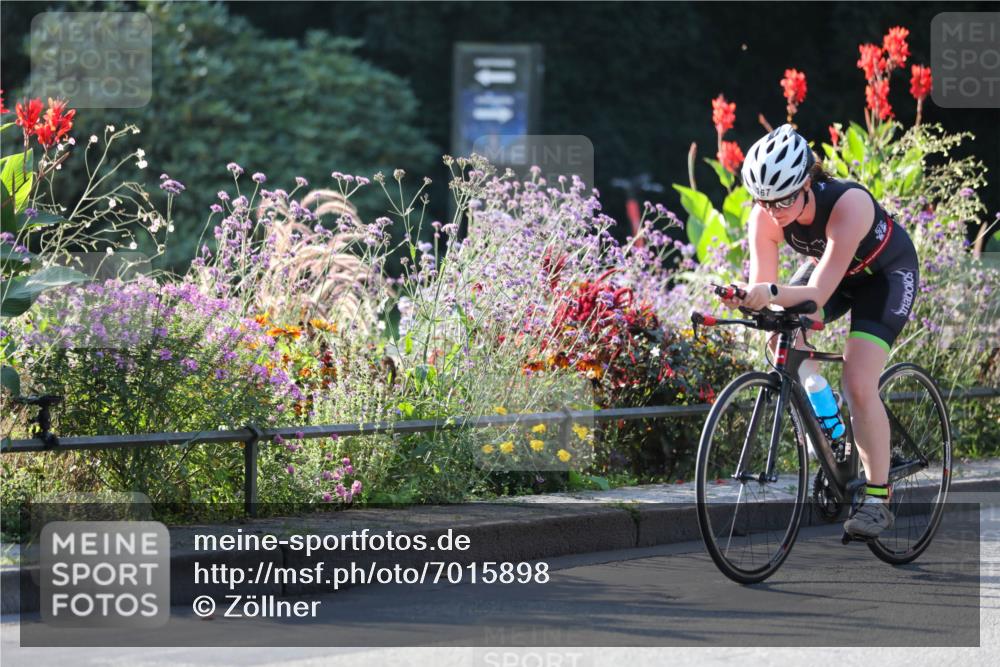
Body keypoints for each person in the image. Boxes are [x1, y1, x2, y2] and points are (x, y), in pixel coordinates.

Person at [721, 123, 920, 538]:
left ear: (807, 182)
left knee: (858, 380)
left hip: (883, 277)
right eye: (764, 201)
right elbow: (771, 294)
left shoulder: (850, 204)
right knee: (780, 336)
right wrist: (748, 296)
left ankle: (878, 499)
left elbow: (816, 293)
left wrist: (769, 291)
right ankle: (833, 429)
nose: (774, 211)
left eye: (784, 200)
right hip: (834, 275)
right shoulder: (766, 216)